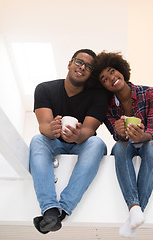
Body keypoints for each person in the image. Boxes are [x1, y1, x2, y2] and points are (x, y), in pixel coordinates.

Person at [94, 51, 153, 238]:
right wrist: (121, 134)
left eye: (112, 71)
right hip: (129, 147)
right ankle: (135, 209)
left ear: (121, 70)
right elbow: (116, 136)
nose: (111, 78)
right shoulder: (108, 108)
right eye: (104, 79)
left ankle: (134, 213)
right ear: (102, 86)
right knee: (119, 148)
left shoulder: (151, 93)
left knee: (150, 146)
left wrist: (142, 136)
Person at [29, 49, 108, 234]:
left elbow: (89, 130)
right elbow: (44, 126)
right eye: (79, 62)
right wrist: (52, 129)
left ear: (91, 74)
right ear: (70, 63)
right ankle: (49, 208)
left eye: (88, 67)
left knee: (97, 144)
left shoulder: (98, 96)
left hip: (81, 143)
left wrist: (77, 136)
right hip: (54, 141)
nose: (82, 68)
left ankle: (61, 210)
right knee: (37, 140)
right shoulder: (44, 89)